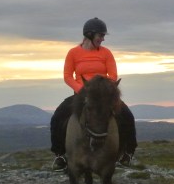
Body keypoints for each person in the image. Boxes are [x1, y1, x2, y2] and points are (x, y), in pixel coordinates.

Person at [49, 17, 137, 171]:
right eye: (100, 35)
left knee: (127, 115)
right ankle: (60, 155)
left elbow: (113, 75)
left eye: (103, 36)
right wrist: (81, 90)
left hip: (103, 95)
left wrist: (102, 90)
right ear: (90, 34)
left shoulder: (106, 53)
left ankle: (128, 152)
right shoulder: (73, 53)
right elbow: (68, 76)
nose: (102, 39)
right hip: (81, 94)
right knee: (58, 116)